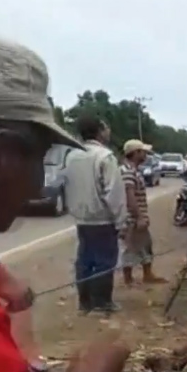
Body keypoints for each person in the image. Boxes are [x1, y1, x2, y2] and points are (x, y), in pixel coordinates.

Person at [0, 33, 129, 372]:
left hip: (86, 220)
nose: (38, 185)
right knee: (99, 261)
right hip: (101, 221)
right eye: (41, 158)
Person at [57, 116, 127, 314]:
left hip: (81, 219)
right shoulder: (105, 156)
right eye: (106, 128)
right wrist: (121, 222)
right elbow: (113, 193)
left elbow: (65, 185)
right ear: (99, 131)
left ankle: (85, 302)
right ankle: (102, 302)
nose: (108, 132)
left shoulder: (71, 156)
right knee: (105, 262)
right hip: (103, 219)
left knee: (85, 260)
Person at [119, 139, 168, 286]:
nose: (146, 155)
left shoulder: (133, 170)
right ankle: (128, 279)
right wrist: (139, 217)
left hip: (136, 216)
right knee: (130, 248)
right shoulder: (127, 171)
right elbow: (129, 196)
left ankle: (147, 274)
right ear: (135, 153)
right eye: (143, 152)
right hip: (131, 218)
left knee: (145, 245)